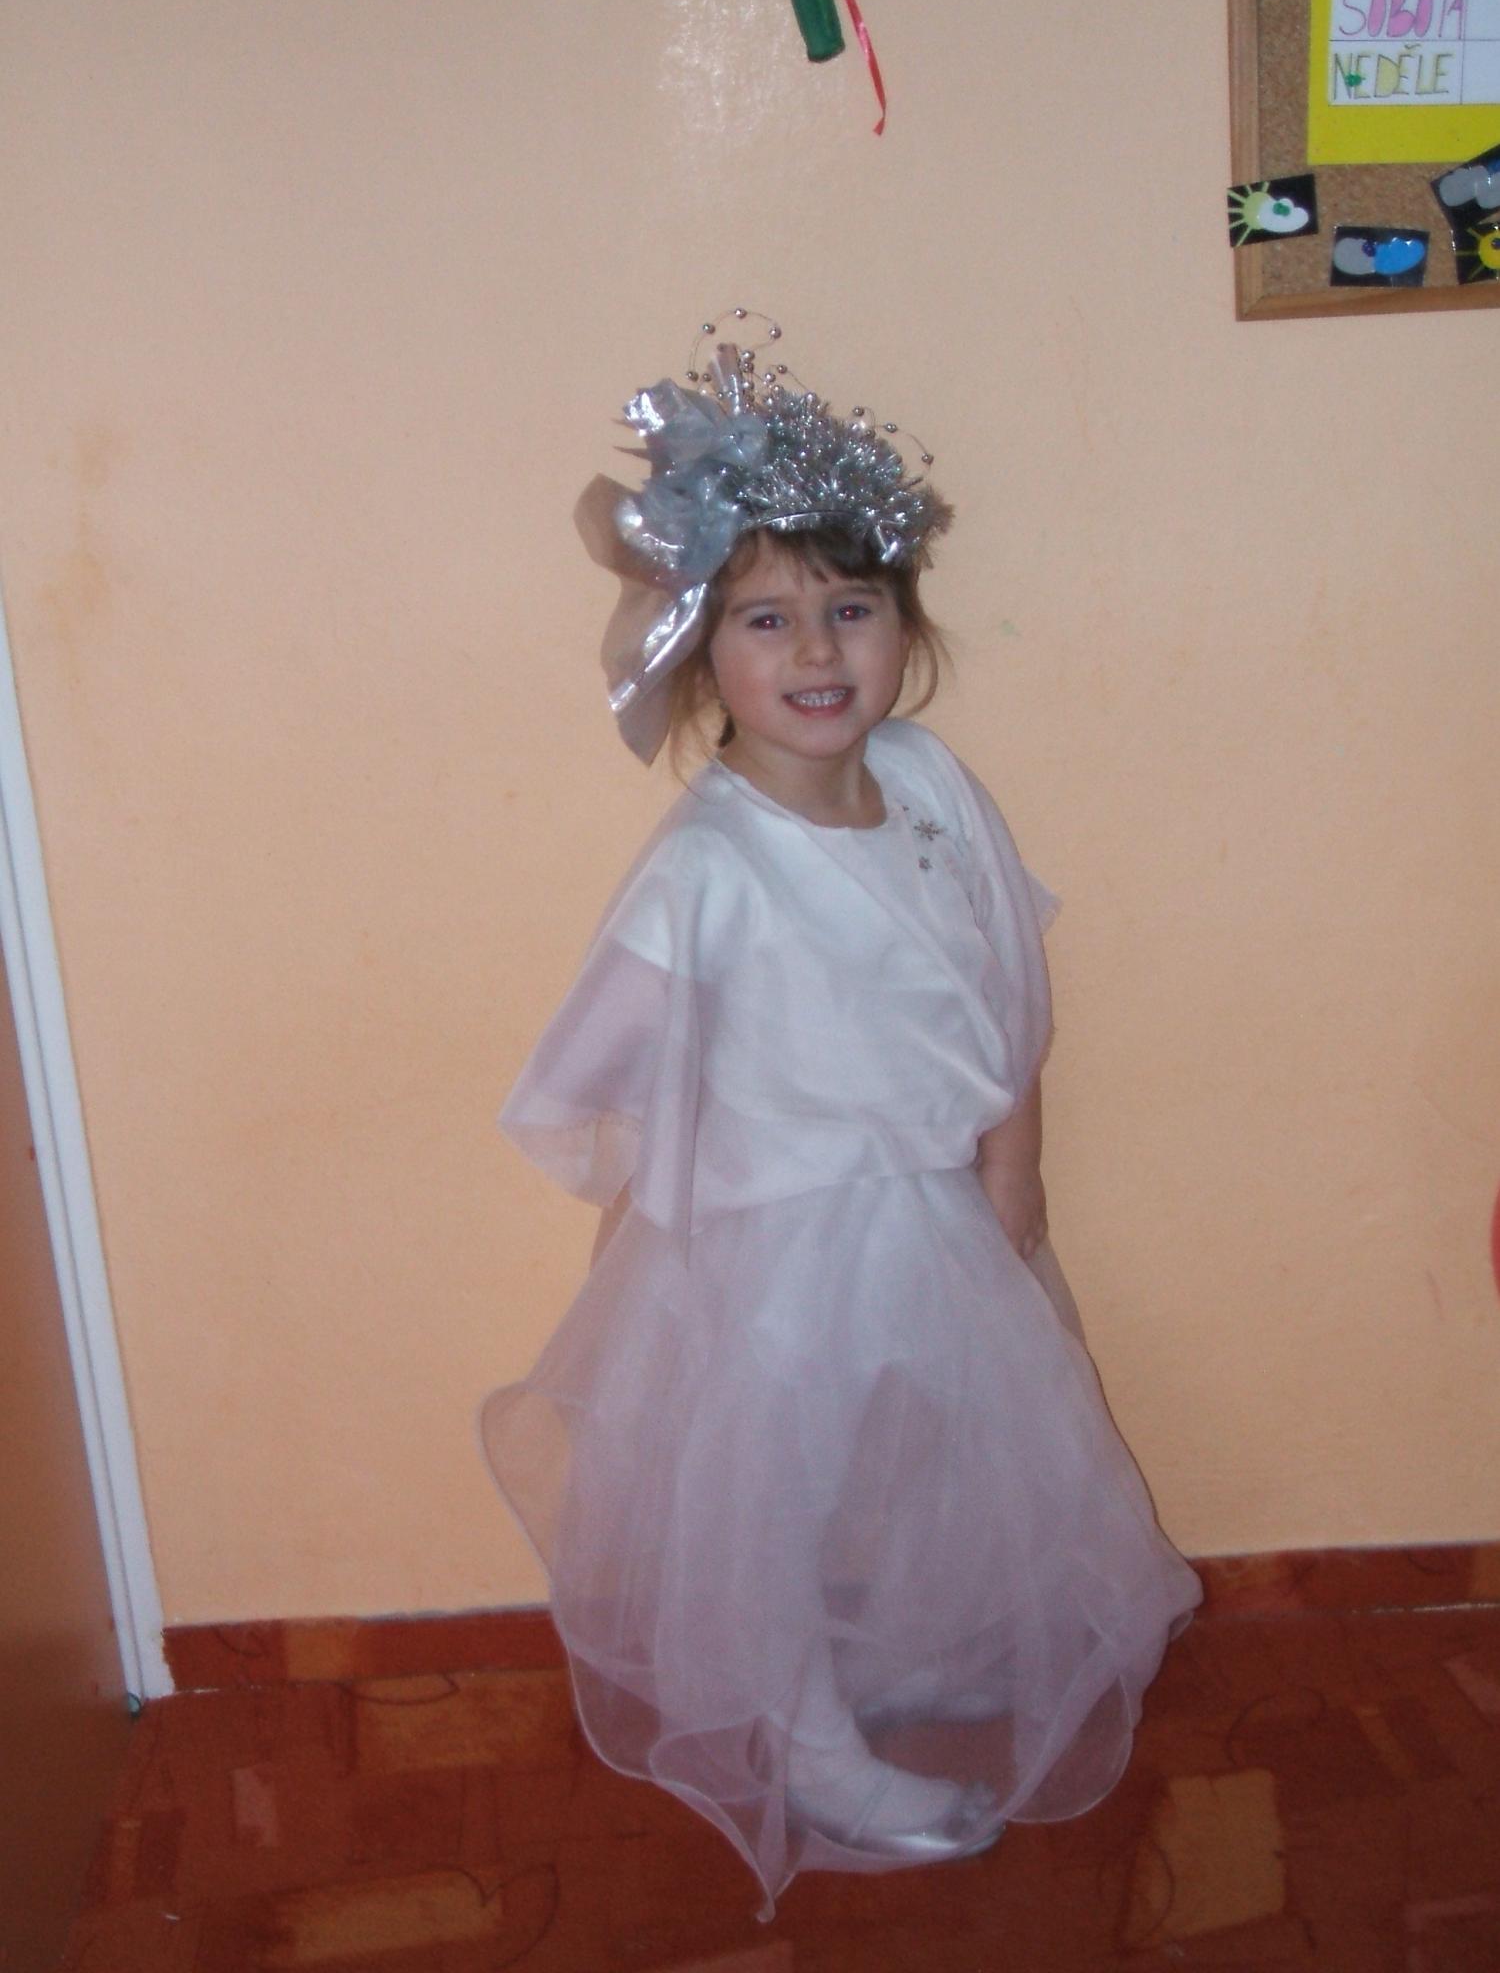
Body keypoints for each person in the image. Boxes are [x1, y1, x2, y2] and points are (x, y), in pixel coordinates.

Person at [480, 315, 1201, 1917]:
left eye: (851, 610)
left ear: (903, 627)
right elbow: (612, 1065)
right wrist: (667, 1232)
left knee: (927, 1459)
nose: (818, 652)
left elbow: (1008, 991)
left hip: (939, 1209)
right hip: (778, 1239)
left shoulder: (932, 784)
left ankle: (881, 1660)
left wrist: (1015, 1167)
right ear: (701, 648)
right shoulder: (709, 862)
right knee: (778, 1496)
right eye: (767, 618)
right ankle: (801, 1731)